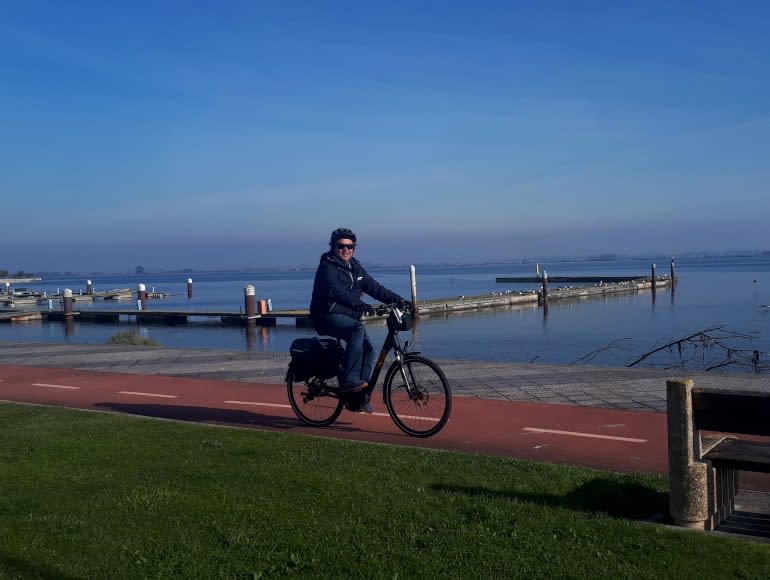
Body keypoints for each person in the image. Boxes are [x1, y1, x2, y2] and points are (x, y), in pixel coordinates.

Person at [310, 227, 409, 392]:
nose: (346, 250)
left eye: (350, 247)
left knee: (369, 350)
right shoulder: (327, 266)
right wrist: (360, 304)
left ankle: (359, 394)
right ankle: (350, 380)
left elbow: (374, 287)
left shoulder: (355, 267)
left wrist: (400, 300)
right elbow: (336, 291)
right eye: (341, 246)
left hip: (347, 315)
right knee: (357, 330)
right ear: (333, 246)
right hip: (325, 315)